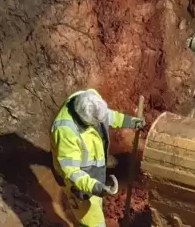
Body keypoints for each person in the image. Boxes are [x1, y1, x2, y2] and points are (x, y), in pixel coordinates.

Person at [50, 88, 144, 227]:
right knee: (92, 222)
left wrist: (131, 122)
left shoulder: (90, 100)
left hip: (94, 169)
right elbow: (72, 172)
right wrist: (96, 187)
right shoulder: (66, 132)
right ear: (86, 121)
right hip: (78, 182)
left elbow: (108, 116)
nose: (102, 122)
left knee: (96, 206)